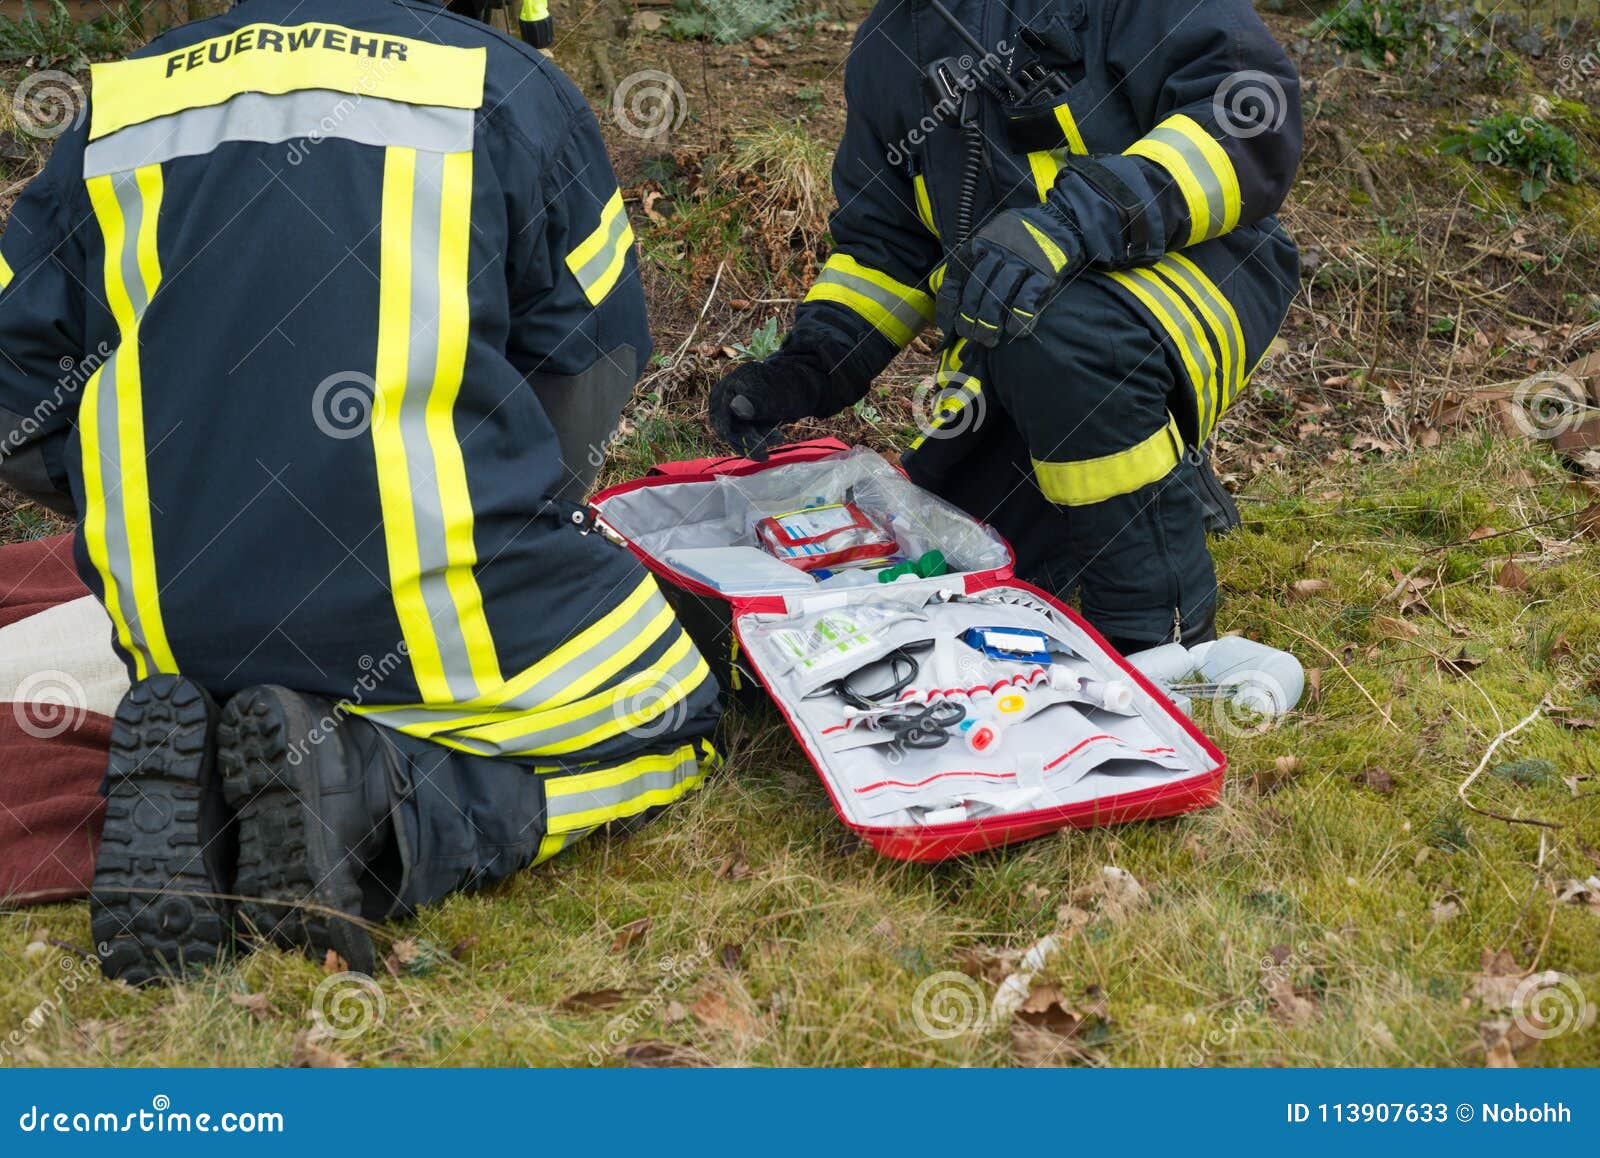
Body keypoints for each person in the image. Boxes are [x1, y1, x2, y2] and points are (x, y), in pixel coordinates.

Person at [0, 0, 719, 983]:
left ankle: (215, 791)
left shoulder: (122, 104)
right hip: (431, 613)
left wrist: (167, 494)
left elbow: (18, 380)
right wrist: (523, 502)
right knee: (669, 709)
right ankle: (378, 801)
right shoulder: (503, 87)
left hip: (176, 622)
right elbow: (590, 363)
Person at [709, 0, 1302, 655]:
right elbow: (887, 246)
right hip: (1017, 333)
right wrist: (810, 367)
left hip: (1199, 269)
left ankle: (1158, 637)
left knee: (1065, 341)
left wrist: (1069, 225)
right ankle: (1164, 477)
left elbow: (1249, 114)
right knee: (960, 554)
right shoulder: (888, 41)